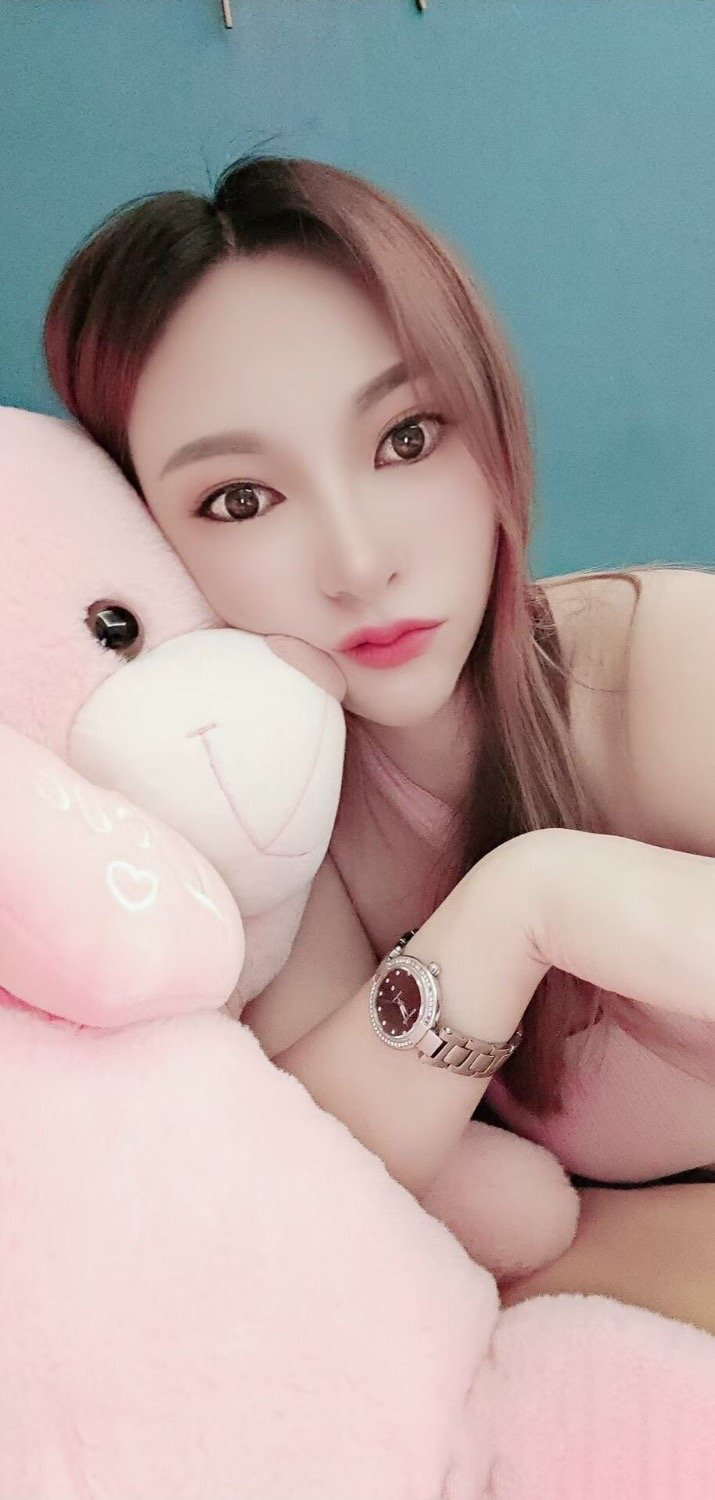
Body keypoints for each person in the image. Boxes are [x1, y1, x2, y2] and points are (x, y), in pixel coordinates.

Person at [42, 153, 715, 1325]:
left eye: (405, 438)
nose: (358, 564)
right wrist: (520, 909)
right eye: (241, 499)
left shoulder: (663, 664)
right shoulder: (267, 824)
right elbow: (313, 1193)